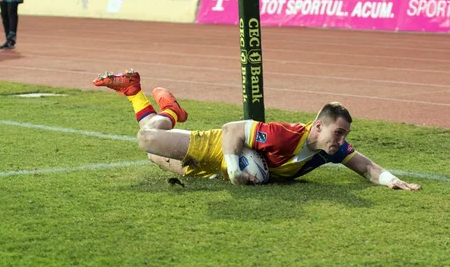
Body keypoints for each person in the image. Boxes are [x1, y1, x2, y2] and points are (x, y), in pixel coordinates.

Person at [93, 70, 421, 191]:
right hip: (221, 148)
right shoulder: (286, 134)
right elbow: (233, 129)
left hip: (221, 172)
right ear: (318, 126)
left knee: (155, 156)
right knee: (147, 139)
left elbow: (366, 166)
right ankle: (170, 111)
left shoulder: (329, 151)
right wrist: (236, 169)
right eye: (339, 133)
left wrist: (393, 181)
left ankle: (135, 91)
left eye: (345, 135)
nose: (343, 141)